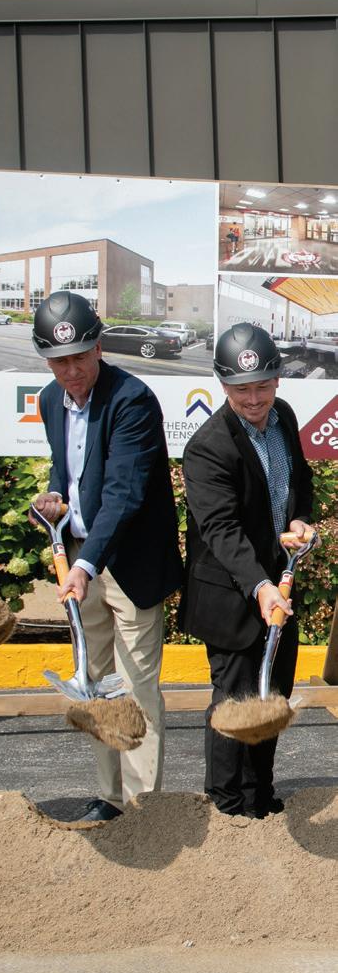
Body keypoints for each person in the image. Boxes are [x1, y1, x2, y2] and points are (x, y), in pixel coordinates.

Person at [30, 291, 183, 822]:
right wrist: (54, 499)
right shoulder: (50, 400)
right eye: (59, 361)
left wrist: (85, 564)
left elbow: (123, 493)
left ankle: (144, 809)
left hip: (126, 565)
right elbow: (69, 470)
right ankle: (110, 798)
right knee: (95, 684)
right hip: (82, 558)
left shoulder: (132, 400)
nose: (71, 371)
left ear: (99, 348)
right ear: (46, 360)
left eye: (80, 357)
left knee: (136, 687)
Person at [179, 322, 314, 817]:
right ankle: (227, 806)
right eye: (241, 390)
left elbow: (300, 481)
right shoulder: (208, 446)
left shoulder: (284, 416)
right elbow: (221, 530)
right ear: (223, 385)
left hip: (281, 584)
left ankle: (260, 799)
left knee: (273, 694)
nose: (254, 399)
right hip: (232, 594)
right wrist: (259, 586)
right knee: (235, 701)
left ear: (277, 380)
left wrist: (299, 520)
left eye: (262, 386)